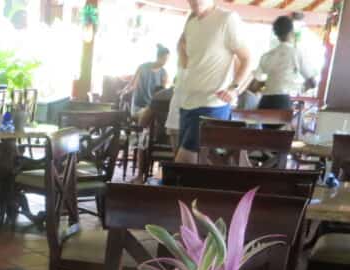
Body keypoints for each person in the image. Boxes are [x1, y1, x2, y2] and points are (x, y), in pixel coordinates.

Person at [175, 0, 253, 163]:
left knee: (182, 163)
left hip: (212, 105)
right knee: (189, 169)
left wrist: (233, 89)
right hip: (187, 104)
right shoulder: (190, 24)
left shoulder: (227, 19)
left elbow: (247, 59)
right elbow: (191, 64)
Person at [251, 15, 319, 112]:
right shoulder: (296, 53)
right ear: (292, 32)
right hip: (284, 102)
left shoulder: (267, 55)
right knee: (286, 127)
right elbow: (312, 82)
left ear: (276, 34)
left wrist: (269, 84)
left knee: (266, 127)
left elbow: (254, 86)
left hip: (265, 102)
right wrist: (301, 88)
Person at [121, 44, 171, 129]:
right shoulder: (143, 67)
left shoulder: (164, 73)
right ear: (158, 57)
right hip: (138, 105)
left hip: (152, 106)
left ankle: (149, 138)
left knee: (161, 116)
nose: (166, 62)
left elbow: (163, 93)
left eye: (167, 60)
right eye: (165, 59)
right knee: (147, 115)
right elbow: (132, 84)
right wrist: (124, 91)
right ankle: (140, 135)